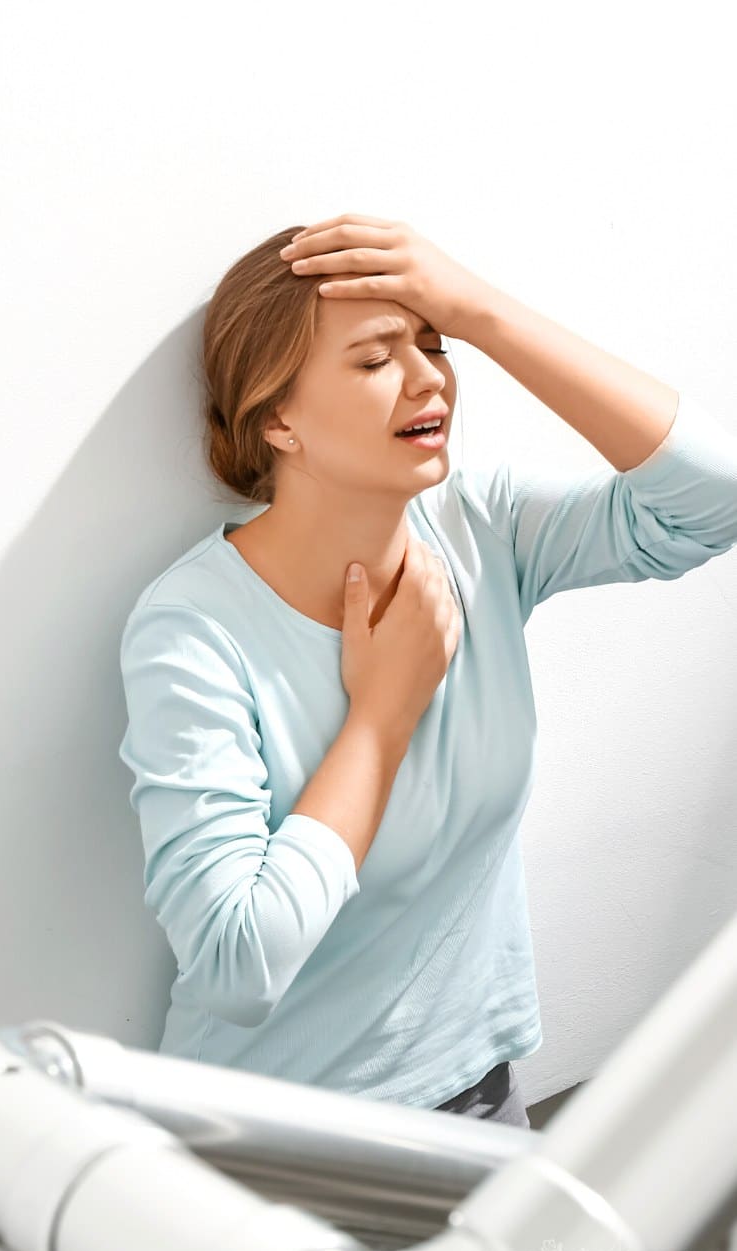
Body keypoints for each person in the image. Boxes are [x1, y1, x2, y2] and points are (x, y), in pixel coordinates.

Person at [117, 214, 737, 1129]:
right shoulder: (193, 632)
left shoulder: (479, 528)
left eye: (435, 345)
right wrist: (379, 720)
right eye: (373, 361)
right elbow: (237, 963)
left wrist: (482, 310)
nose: (428, 378)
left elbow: (710, 503)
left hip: (477, 1094)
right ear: (277, 416)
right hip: (266, 1141)